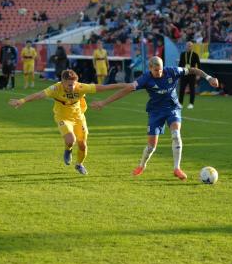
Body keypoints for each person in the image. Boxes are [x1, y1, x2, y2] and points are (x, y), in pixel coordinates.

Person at [91, 56, 219, 181]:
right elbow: (127, 89)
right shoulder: (145, 78)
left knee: (176, 134)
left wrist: (209, 77)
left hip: (172, 108)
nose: (159, 72)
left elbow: (192, 70)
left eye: (161, 69)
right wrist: (104, 102)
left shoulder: (172, 71)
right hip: (155, 112)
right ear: (150, 68)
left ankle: (177, 168)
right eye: (156, 70)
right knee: (152, 146)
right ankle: (142, 165)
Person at [8, 70, 127, 175]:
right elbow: (39, 95)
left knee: (82, 145)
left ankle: (79, 164)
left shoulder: (80, 87)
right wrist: (22, 100)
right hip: (63, 118)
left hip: (79, 118)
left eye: (74, 84)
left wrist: (123, 85)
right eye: (69, 84)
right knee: (71, 140)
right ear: (62, 82)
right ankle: (68, 149)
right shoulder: (55, 88)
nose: (72, 87)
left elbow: (103, 87)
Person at [178, 41, 201, 109]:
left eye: (190, 46)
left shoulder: (195, 54)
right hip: (184, 73)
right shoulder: (182, 54)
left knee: (192, 89)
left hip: (192, 74)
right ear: (185, 46)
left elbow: (199, 65)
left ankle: (191, 104)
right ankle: (180, 103)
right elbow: (180, 64)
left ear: (192, 47)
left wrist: (198, 74)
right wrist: (179, 73)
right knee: (182, 89)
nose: (189, 47)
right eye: (188, 46)